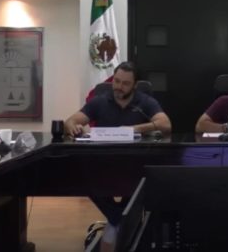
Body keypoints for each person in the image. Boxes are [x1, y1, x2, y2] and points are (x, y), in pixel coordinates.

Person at [64, 61, 171, 252]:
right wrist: (72, 126)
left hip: (134, 165)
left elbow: (165, 125)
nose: (119, 87)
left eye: (125, 83)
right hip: (103, 163)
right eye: (116, 81)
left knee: (141, 185)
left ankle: (115, 223)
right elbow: (71, 121)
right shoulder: (100, 101)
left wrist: (135, 128)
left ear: (135, 85)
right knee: (81, 175)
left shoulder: (144, 102)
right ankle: (117, 220)